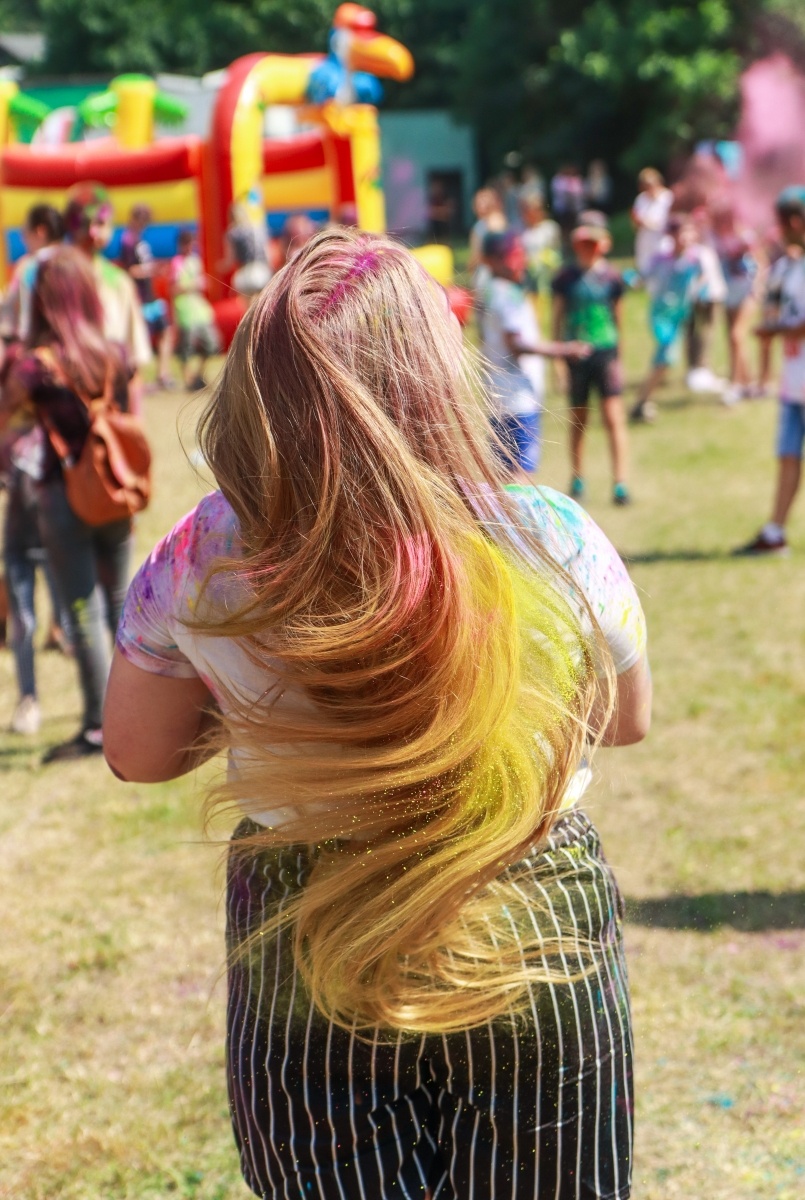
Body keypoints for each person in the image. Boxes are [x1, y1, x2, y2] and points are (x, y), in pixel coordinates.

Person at [103, 226, 651, 1200]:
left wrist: (260, 707)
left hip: (304, 913)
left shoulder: (204, 553)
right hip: (527, 889)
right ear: (439, 372)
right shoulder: (551, 534)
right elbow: (623, 719)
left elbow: (139, 753)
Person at [0, 247, 138, 760]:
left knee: (83, 611)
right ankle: (140, 711)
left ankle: (99, 728)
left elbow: (4, 410)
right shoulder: (113, 353)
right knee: (123, 604)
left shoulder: (39, 365)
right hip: (115, 492)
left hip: (63, 501)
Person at [480, 229, 590, 478]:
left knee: (504, 474)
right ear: (493, 261)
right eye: (513, 256)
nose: (521, 262)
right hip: (516, 398)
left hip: (500, 395)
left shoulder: (493, 289)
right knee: (519, 474)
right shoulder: (506, 294)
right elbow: (517, 343)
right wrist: (564, 349)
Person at [738, 187, 805, 555]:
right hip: (794, 385)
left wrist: (772, 330)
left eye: (782, 224)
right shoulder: (792, 266)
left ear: (794, 222)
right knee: (788, 457)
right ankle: (775, 532)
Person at [553, 213, 630, 504]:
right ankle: (577, 476)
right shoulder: (565, 279)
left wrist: (619, 355)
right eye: (583, 243)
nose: (588, 248)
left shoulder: (612, 277)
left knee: (613, 417)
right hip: (576, 353)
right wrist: (558, 360)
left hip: (605, 352)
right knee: (579, 418)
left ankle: (620, 481)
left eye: (593, 243)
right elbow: (558, 320)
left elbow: (618, 317)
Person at [63, 182, 152, 413]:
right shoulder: (55, 279)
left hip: (112, 404)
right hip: (68, 404)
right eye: (84, 224)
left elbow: (133, 366)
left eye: (100, 224)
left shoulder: (119, 283)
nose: (92, 232)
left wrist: (134, 425)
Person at [630, 214, 704, 422]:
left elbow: (703, 277)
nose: (687, 237)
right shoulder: (660, 259)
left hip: (678, 316)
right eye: (683, 232)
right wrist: (632, 281)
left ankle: (643, 401)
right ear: (671, 235)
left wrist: (698, 290)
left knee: (664, 360)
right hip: (661, 315)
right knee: (665, 356)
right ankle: (641, 402)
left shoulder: (694, 258)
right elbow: (642, 277)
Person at [119, 204, 174, 389]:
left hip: (150, 297)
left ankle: (163, 374)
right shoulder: (127, 241)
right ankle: (139, 381)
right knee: (139, 338)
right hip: (139, 299)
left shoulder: (140, 241)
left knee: (165, 331)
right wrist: (150, 270)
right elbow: (129, 270)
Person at [170, 230, 221, 391]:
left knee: (212, 344)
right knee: (186, 348)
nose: (190, 246)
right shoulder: (176, 263)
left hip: (199, 309)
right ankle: (188, 380)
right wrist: (193, 285)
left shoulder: (195, 261)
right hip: (185, 310)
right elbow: (174, 289)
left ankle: (198, 375)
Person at [222, 201, 272, 299]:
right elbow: (267, 253)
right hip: (262, 271)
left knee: (248, 306)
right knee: (262, 303)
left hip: (245, 274)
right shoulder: (257, 228)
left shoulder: (232, 233)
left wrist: (220, 268)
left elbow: (230, 260)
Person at [631, 168, 674, 277]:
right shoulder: (640, 199)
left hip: (662, 240)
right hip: (645, 239)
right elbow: (636, 223)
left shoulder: (668, 197)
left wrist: (649, 223)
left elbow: (670, 221)